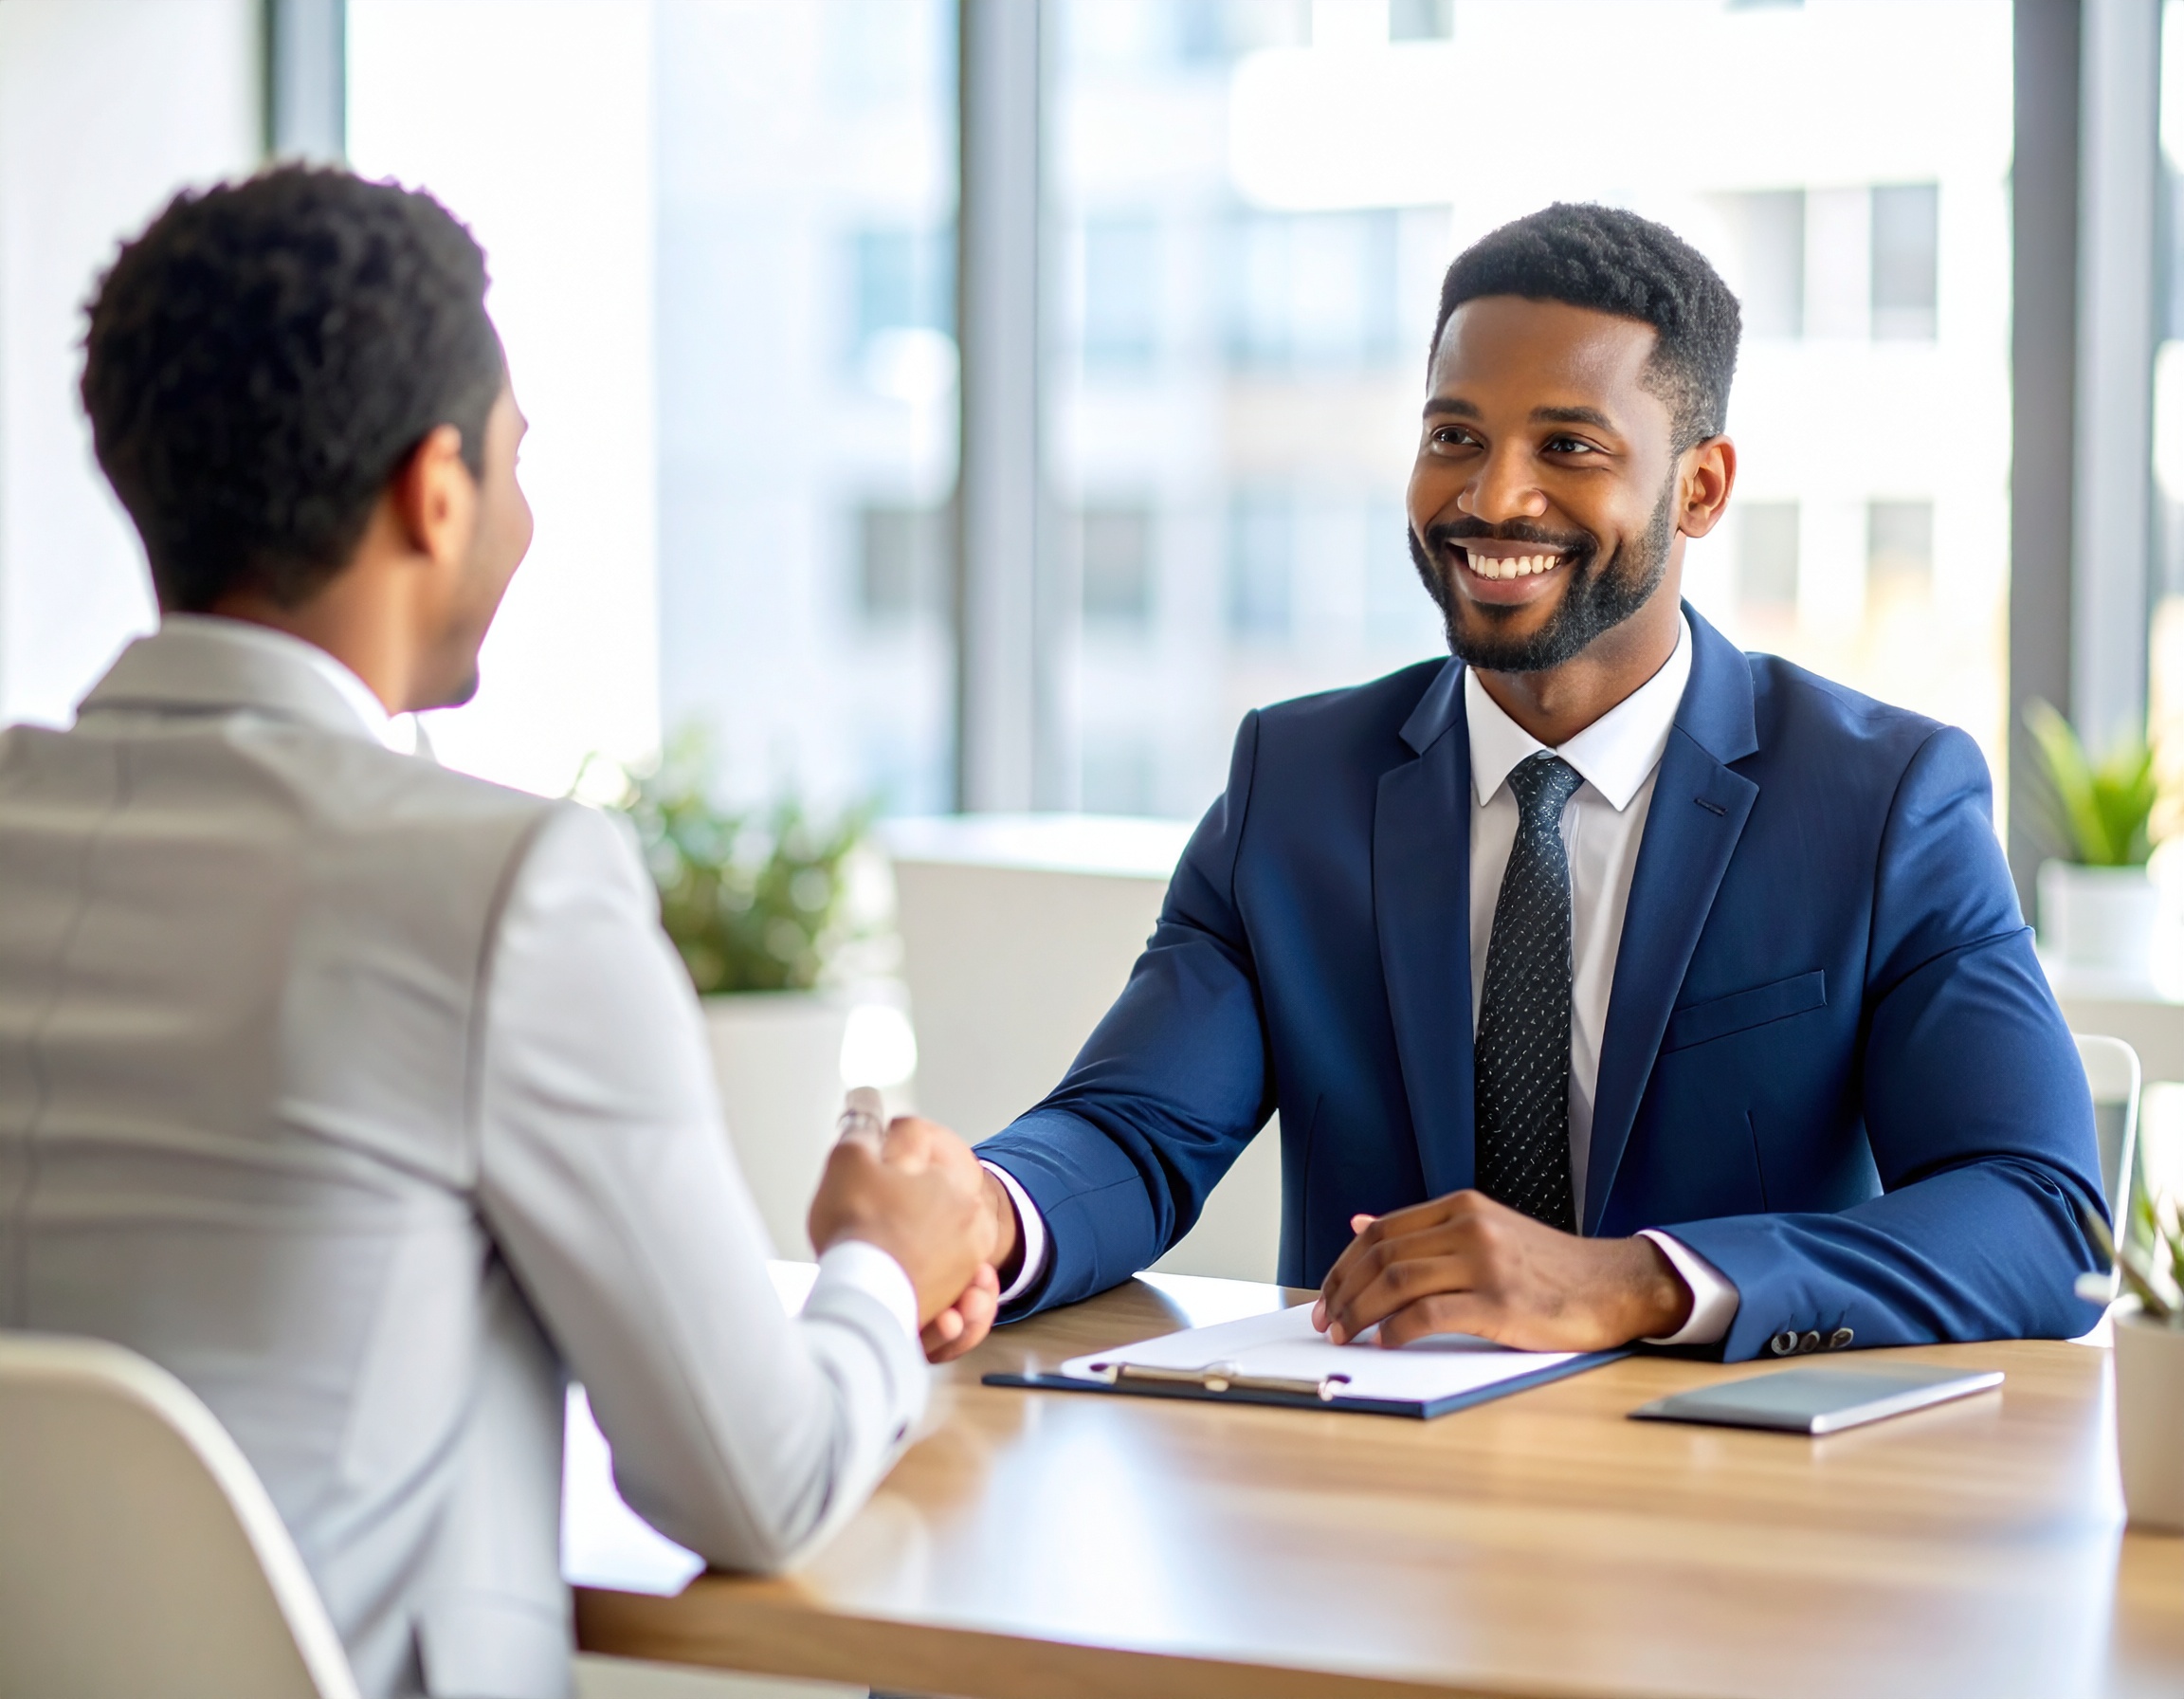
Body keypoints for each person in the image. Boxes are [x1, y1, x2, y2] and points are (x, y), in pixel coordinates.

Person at [0, 167, 997, 1699]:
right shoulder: (499, 885)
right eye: (518, 458)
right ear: (436, 489)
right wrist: (875, 1255)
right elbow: (756, 1478)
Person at [950, 202, 2106, 1364]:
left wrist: (1636, 1282)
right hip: (1370, 1485)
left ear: (1700, 487)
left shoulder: (1883, 800)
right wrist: (981, 1213)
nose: (1494, 498)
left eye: (1570, 447)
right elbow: (1131, 1128)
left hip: (1731, 1488)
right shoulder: (1294, 787)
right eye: (1454, 436)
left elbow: (2043, 1216)